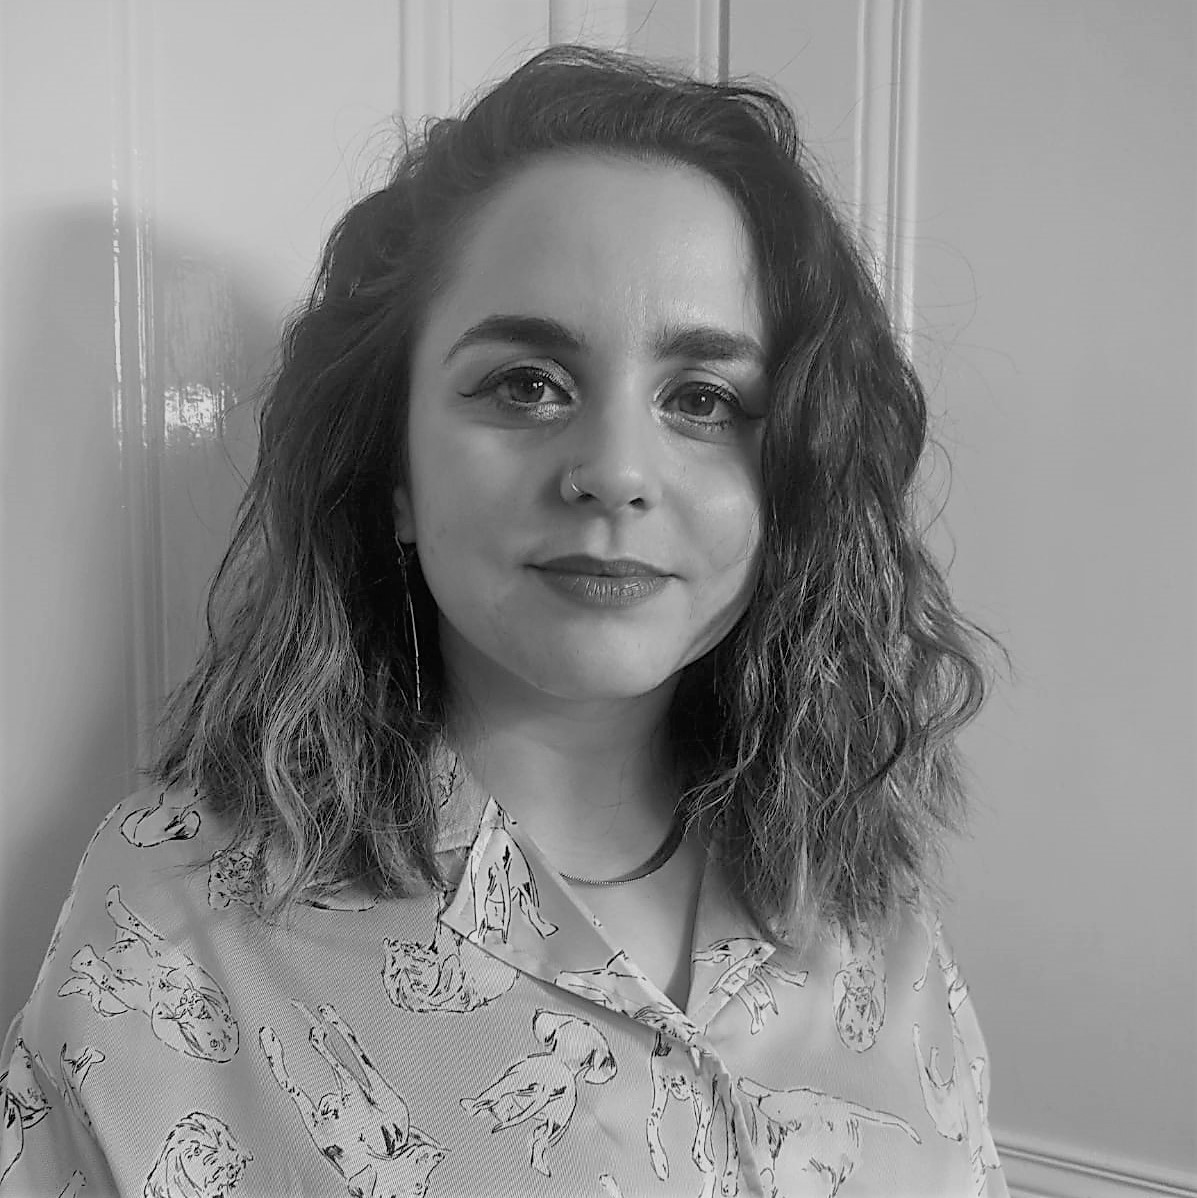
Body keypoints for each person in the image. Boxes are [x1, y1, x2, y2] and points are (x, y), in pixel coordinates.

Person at [0, 44, 1009, 1198]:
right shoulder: (177, 920)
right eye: (526, 383)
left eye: (704, 400)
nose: (616, 471)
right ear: (395, 473)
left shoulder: (864, 895)